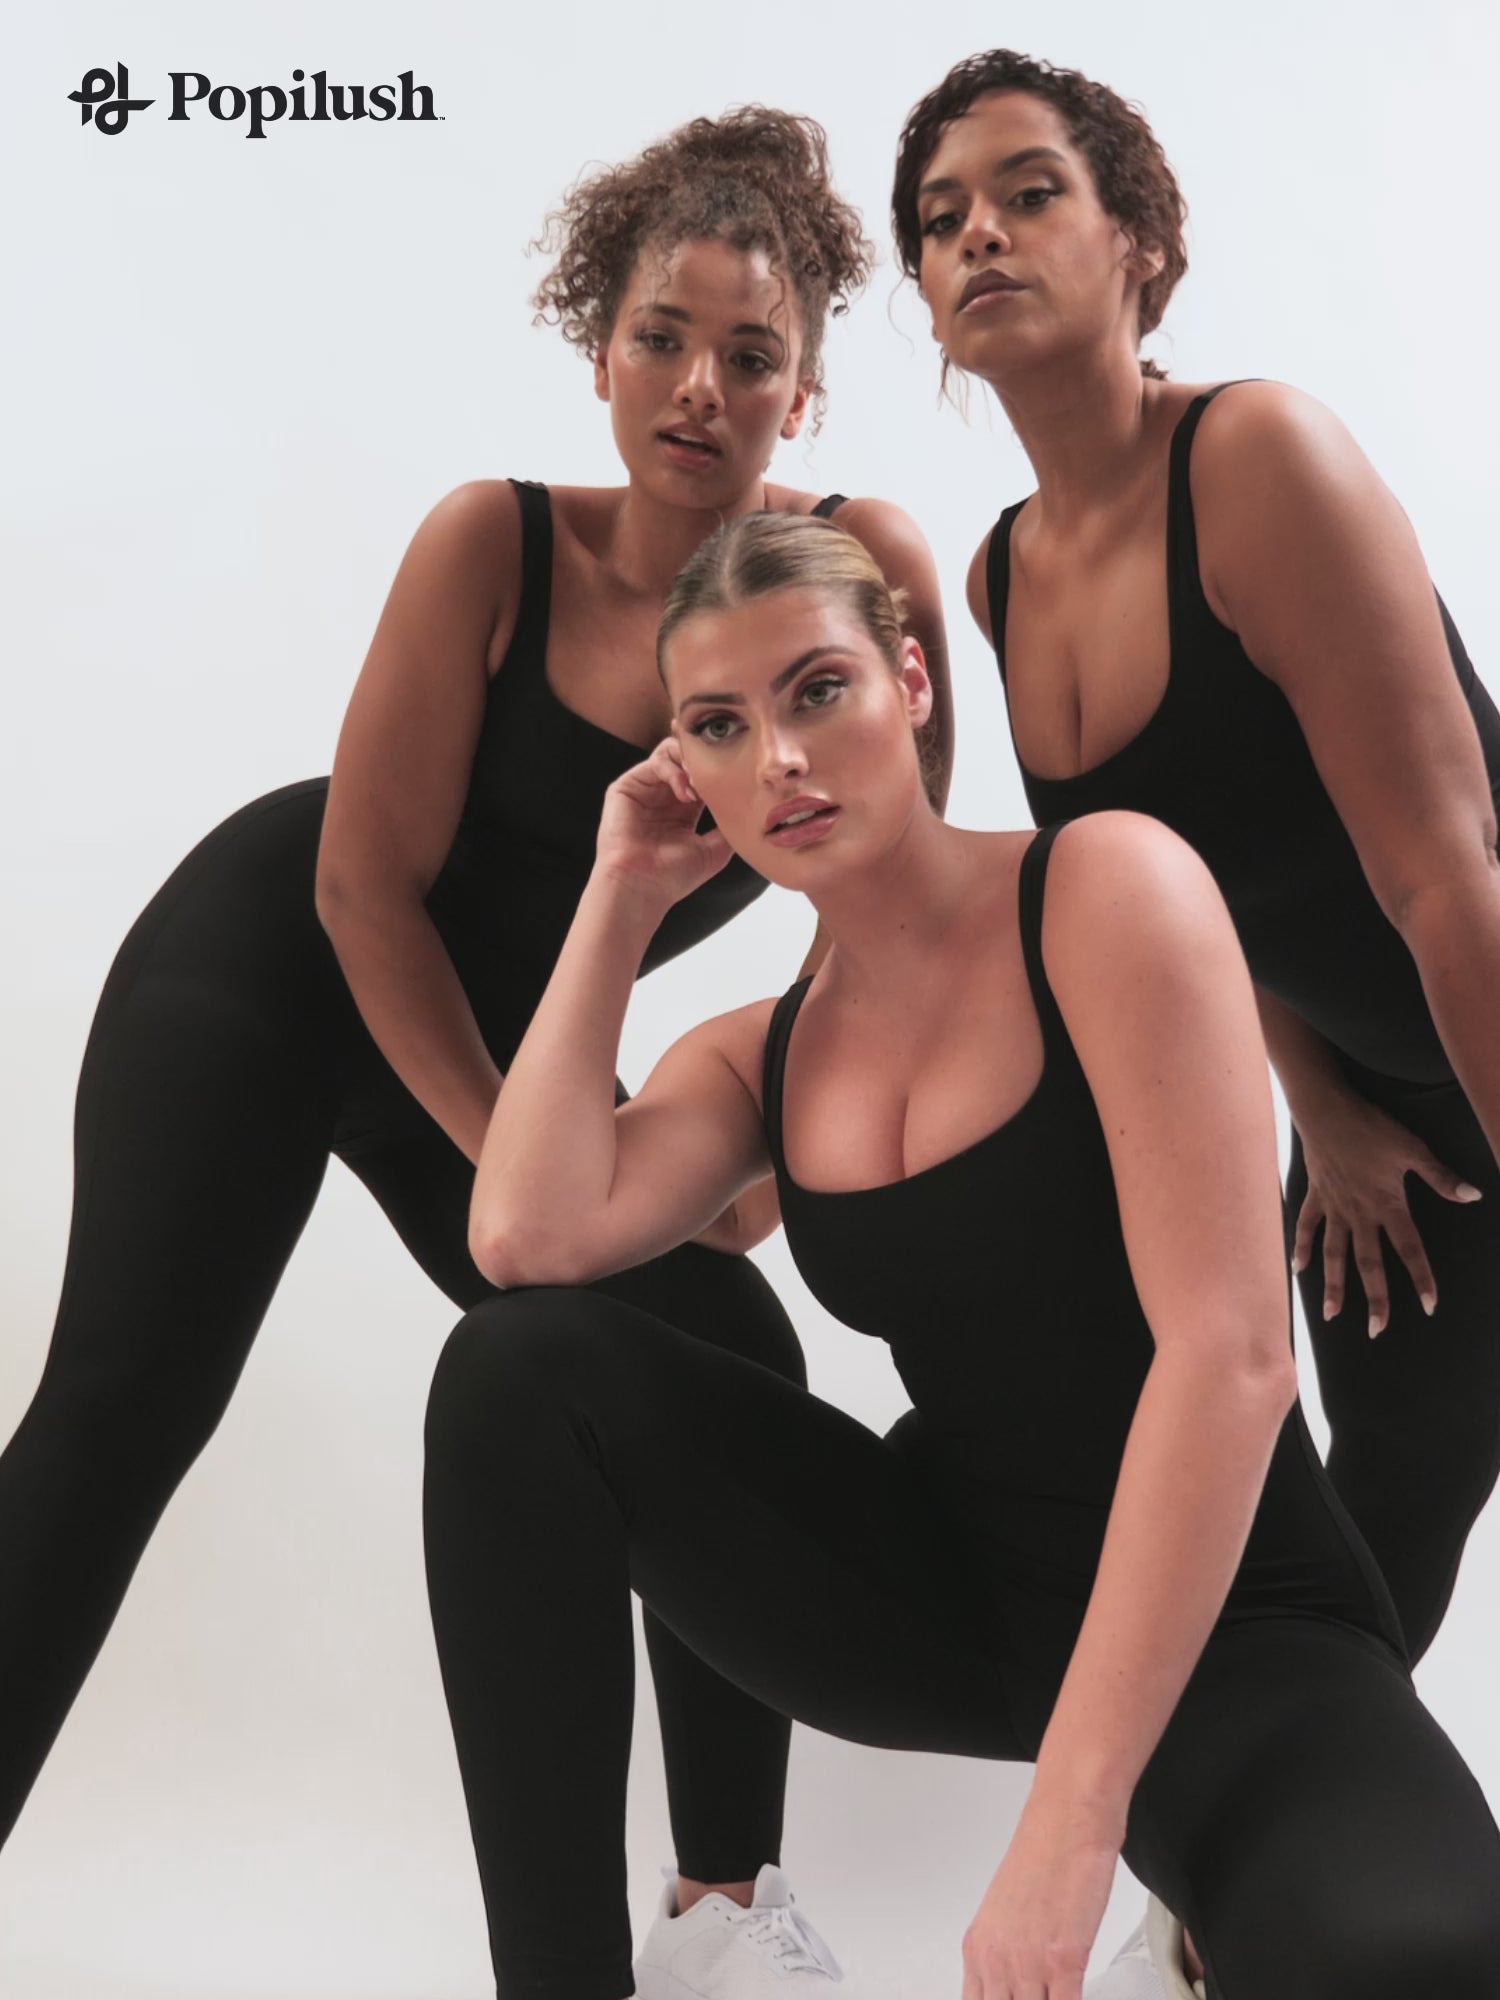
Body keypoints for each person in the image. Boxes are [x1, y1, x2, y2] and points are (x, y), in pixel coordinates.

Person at [0, 108, 951, 1995]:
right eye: (662, 337)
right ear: (599, 349)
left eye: (750, 352)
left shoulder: (849, 578)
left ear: (808, 389)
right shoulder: (492, 542)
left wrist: (756, 1163)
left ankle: (724, 1917)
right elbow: (366, 892)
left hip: (502, 1047)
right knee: (116, 1422)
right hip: (271, 969)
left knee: (728, 1352)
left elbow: (893, 906)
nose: (701, 387)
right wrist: (542, 1179)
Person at [421, 510, 1500, 2000]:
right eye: (718, 727)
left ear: (912, 682)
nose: (779, 760)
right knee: (518, 1374)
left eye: (817, 691)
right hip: (952, 1591)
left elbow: (1236, 1358)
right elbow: (523, 1234)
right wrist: (619, 895)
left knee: (1427, 1960)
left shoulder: (1106, 891)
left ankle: (1191, 1928)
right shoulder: (758, 1056)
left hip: (1234, 1618)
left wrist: (1073, 1821)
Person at [888, 49, 1500, 1991]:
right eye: (940, 218)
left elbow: (1449, 876)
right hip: (1385, 1114)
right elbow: (1181, 920)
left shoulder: (1257, 461)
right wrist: (1330, 1109)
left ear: (1141, 239)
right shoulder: (1002, 576)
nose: (979, 234)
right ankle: (1279, 1896)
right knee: (1362, 1540)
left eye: (1029, 190)